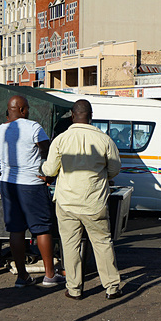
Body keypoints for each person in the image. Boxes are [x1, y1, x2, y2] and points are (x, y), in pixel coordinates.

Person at [42, 99, 123, 300]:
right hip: (94, 201)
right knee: (102, 243)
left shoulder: (61, 139)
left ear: (72, 115)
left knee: (70, 246)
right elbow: (114, 169)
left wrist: (43, 169)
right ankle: (112, 288)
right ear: (91, 116)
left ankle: (74, 289)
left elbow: (50, 170)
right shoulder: (105, 140)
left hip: (66, 202)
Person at [0, 95, 64, 288]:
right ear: (22, 110)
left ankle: (22, 276)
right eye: (27, 108)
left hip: (8, 184)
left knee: (16, 229)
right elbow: (48, 152)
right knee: (42, 228)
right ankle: (49, 275)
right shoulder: (33, 127)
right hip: (32, 184)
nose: (28, 111)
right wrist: (49, 175)